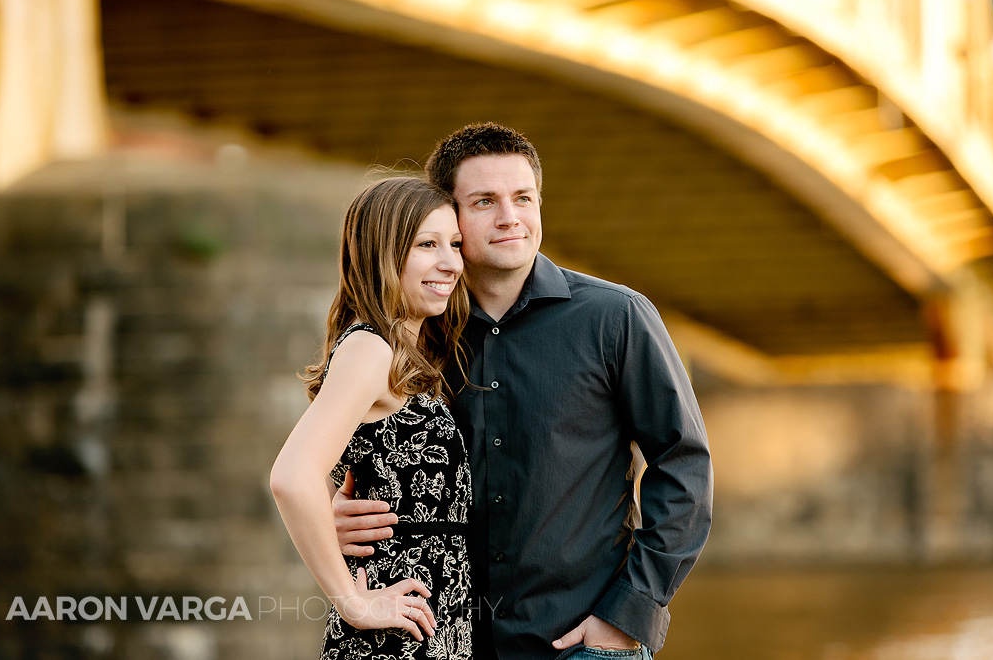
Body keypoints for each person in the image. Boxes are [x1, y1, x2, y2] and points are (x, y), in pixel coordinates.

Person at [334, 123, 713, 659]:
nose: (509, 217)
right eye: (485, 201)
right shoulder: (418, 329)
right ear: (451, 217)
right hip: (442, 643)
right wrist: (337, 508)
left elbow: (684, 465)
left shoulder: (615, 317)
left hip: (583, 644)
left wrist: (631, 610)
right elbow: (352, 448)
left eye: (523, 198)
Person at [270, 175, 476, 659]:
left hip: (431, 629)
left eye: (455, 244)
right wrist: (355, 604)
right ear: (382, 254)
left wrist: (332, 514)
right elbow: (292, 477)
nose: (451, 263)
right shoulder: (370, 350)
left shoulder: (405, 351)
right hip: (394, 637)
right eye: (428, 244)